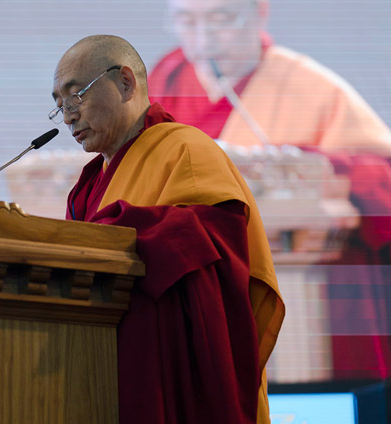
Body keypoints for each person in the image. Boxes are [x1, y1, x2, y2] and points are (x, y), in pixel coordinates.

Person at [148, 0, 391, 379]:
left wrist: (303, 163)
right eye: (187, 20)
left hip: (295, 269)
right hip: (198, 269)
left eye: (220, 19)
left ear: (260, 12)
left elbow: (377, 173)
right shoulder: (166, 78)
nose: (202, 37)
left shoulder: (306, 84)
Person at [52, 34, 284, 424]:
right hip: (102, 377)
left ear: (126, 82)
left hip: (171, 387)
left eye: (76, 96)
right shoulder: (88, 187)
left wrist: (117, 233)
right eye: (58, 105)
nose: (68, 116)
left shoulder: (187, 151)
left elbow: (216, 268)